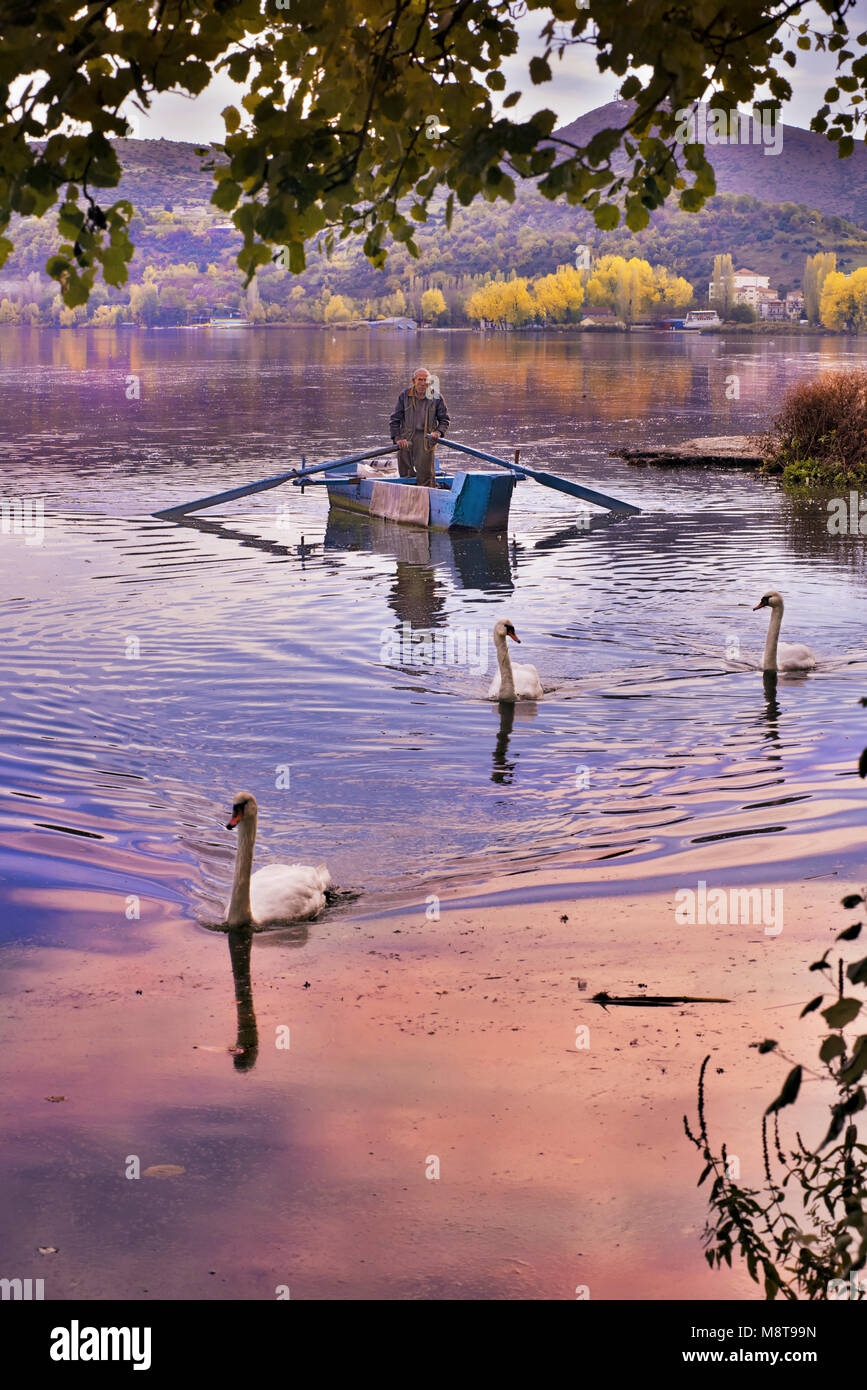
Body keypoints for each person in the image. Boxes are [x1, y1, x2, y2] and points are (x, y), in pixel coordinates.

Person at [389, 367, 450, 489]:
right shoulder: (404, 396)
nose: (423, 383)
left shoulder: (436, 397)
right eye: (420, 380)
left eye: (426, 380)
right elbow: (395, 420)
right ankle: (406, 497)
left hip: (427, 439)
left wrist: (438, 432)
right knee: (406, 474)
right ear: (414, 381)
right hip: (406, 438)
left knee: (426, 475)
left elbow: (444, 420)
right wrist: (398, 438)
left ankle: (427, 497)